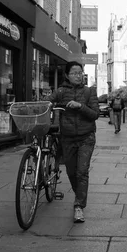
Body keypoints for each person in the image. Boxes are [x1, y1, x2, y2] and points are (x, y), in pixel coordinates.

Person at [48, 61, 99, 223]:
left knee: (82, 171)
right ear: (67, 76)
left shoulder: (89, 91)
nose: (79, 76)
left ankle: (79, 206)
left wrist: (80, 106)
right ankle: (80, 196)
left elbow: (95, 114)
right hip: (67, 138)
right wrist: (47, 104)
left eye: (80, 72)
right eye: (75, 73)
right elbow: (48, 101)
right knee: (71, 172)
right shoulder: (61, 91)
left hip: (86, 137)